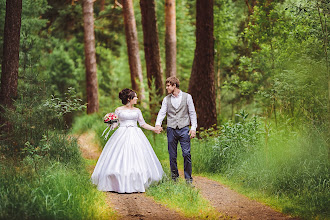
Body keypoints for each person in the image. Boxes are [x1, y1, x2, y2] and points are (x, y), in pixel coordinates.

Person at [91, 88, 164, 193]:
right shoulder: (118, 110)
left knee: (137, 156)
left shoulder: (137, 111)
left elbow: (142, 124)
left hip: (135, 134)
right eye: (135, 97)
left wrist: (154, 128)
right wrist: (111, 123)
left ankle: (138, 179)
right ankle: (115, 179)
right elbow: (116, 124)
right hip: (121, 134)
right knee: (119, 156)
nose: (137, 98)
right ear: (129, 99)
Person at [155, 76, 197, 184]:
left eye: (168, 85)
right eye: (167, 85)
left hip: (184, 129)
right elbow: (162, 113)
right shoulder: (166, 99)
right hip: (171, 130)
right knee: (172, 155)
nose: (167, 88)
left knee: (186, 153)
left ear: (174, 85)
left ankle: (188, 179)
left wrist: (193, 128)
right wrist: (157, 124)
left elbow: (192, 113)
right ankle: (175, 178)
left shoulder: (187, 97)